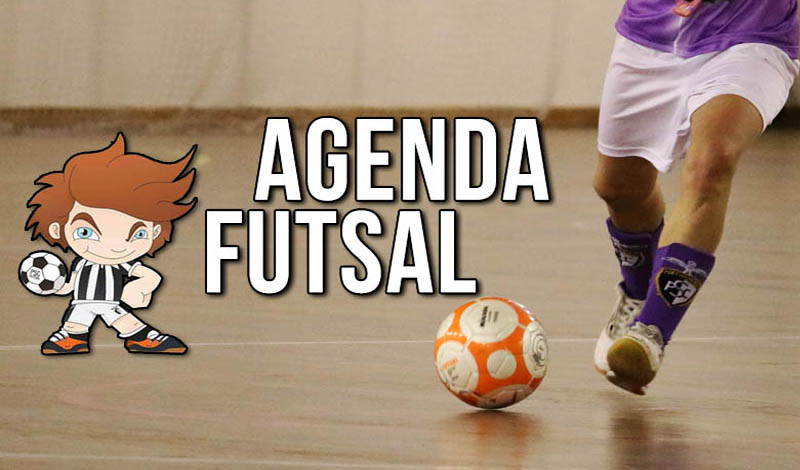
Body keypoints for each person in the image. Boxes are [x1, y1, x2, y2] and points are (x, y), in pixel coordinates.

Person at [592, 0, 799, 394]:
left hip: (753, 36)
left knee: (711, 165)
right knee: (619, 189)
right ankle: (637, 292)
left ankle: (650, 333)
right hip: (650, 34)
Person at [25, 133, 197, 355]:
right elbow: (72, 283)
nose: (115, 246)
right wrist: (58, 287)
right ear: (58, 228)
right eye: (86, 231)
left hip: (109, 301)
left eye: (137, 233)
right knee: (80, 321)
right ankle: (76, 339)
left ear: (155, 231)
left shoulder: (120, 263)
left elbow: (150, 276)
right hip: (84, 302)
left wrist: (138, 288)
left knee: (123, 320)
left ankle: (140, 338)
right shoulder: (82, 263)